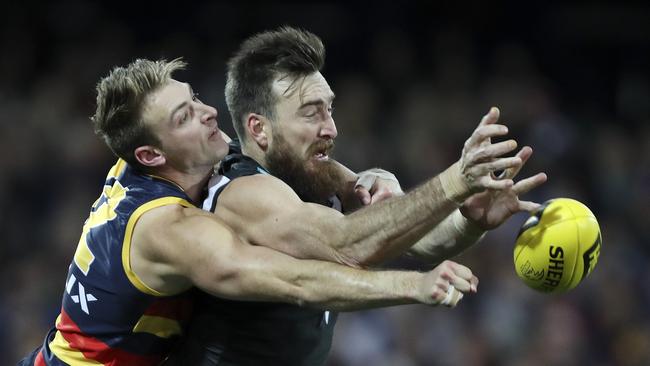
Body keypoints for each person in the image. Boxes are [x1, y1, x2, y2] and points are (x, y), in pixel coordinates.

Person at [18, 58, 484, 366]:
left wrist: (369, 179)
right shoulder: (167, 228)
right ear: (150, 156)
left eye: (194, 98)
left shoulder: (152, 164)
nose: (207, 112)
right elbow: (294, 279)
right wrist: (414, 286)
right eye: (183, 118)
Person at [172, 27, 547, 365]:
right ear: (260, 129)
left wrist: (470, 219)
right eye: (311, 114)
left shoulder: (316, 174)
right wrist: (455, 181)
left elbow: (423, 242)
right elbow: (345, 246)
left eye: (329, 109)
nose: (331, 128)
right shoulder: (239, 191)